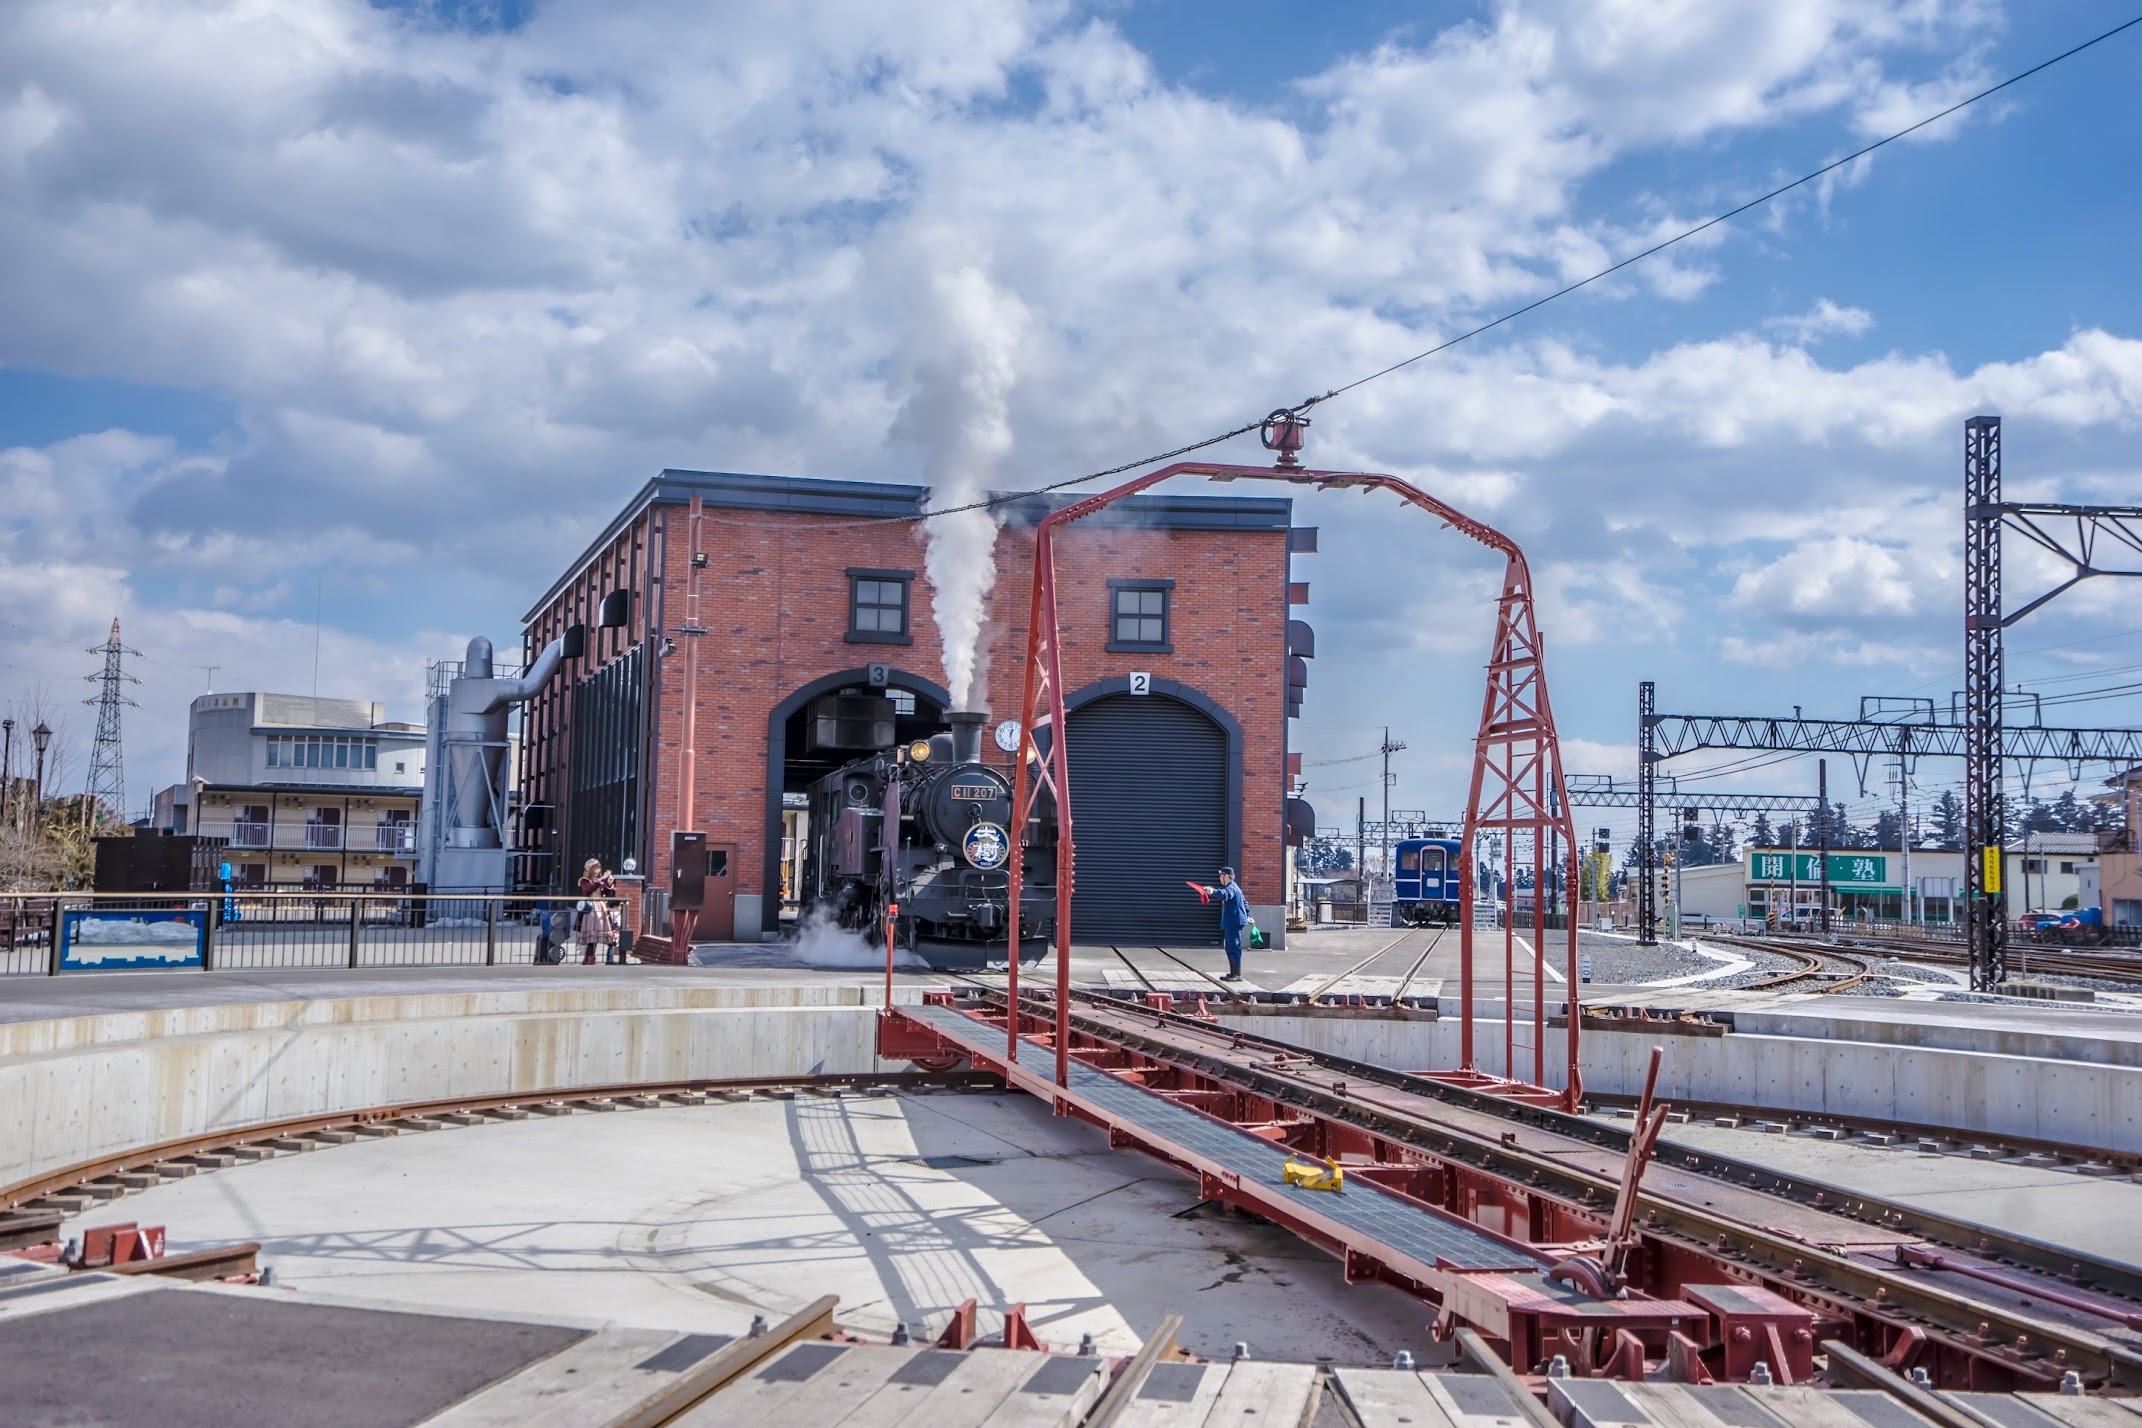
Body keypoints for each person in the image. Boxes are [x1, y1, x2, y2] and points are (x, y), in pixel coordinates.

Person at [577, 858, 620, 965]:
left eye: (598, 868)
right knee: (592, 933)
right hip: (591, 907)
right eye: (595, 868)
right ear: (590, 869)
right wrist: (602, 879)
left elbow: (605, 892)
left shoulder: (599, 880)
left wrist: (609, 883)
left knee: (597, 934)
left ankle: (588, 958)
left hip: (601, 907)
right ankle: (590, 958)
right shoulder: (584, 880)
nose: (597, 870)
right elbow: (589, 889)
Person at [1214, 866, 1251, 981]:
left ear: (1226, 876)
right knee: (1230, 947)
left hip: (1234, 922)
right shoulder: (1235, 888)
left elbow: (1225, 894)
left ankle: (1237, 975)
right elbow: (1245, 903)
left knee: (1233, 947)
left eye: (1221, 875)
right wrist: (1247, 916)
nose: (1220, 878)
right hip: (1234, 921)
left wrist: (1213, 891)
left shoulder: (1232, 888)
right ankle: (1233, 973)